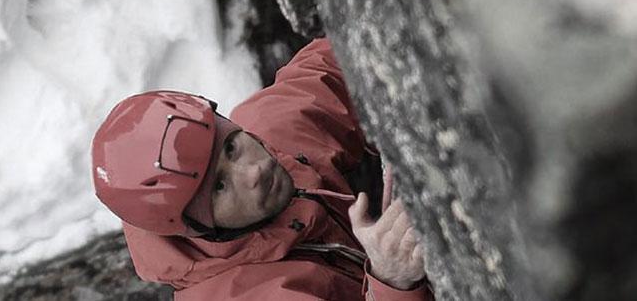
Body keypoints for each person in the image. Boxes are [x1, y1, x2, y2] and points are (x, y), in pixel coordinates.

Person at [90, 38, 434, 300]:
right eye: (220, 187)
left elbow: (346, 52)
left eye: (231, 147)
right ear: (194, 229)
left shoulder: (271, 127)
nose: (252, 173)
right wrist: (391, 282)